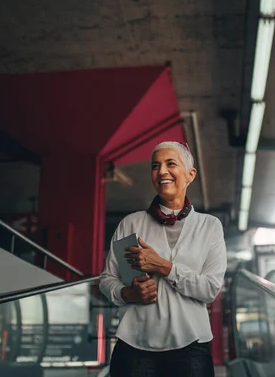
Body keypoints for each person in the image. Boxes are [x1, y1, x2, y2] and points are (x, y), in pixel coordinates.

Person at [99, 141, 227, 377]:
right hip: (134, 346)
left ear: (190, 175)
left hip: (191, 346)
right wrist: (128, 294)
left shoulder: (210, 226)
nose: (162, 172)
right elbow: (107, 279)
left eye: (171, 164)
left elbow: (209, 289)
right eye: (155, 166)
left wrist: (164, 266)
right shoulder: (131, 223)